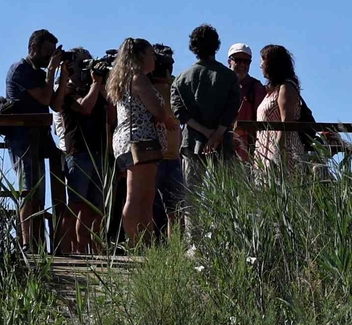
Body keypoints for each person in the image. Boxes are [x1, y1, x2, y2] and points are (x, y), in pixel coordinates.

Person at [0, 30, 64, 252]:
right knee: (29, 189)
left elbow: (54, 104)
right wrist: (52, 70)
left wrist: (64, 76)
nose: (48, 57)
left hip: (39, 138)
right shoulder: (21, 70)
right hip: (22, 138)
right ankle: (27, 243)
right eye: (46, 52)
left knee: (39, 190)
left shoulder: (37, 72)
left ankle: (38, 242)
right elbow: (44, 97)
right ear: (33, 48)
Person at [169, 23, 244, 222]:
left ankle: (194, 242)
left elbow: (179, 112)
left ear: (193, 48)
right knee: (227, 195)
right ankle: (225, 237)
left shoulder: (181, 79)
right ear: (216, 46)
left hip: (192, 141)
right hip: (223, 142)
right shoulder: (228, 76)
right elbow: (232, 109)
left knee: (191, 196)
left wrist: (204, 132)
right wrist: (216, 135)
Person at [111, 39, 176, 244]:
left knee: (142, 195)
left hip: (126, 140)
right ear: (140, 57)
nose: (154, 59)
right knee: (139, 196)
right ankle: (136, 242)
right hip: (140, 141)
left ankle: (143, 242)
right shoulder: (138, 79)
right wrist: (168, 119)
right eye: (150, 54)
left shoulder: (123, 80)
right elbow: (157, 110)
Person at [52, 46, 114, 255]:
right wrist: (96, 84)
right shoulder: (68, 89)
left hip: (98, 151)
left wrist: (102, 83)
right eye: (82, 64)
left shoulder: (94, 87)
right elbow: (85, 107)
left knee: (96, 208)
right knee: (77, 205)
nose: (86, 69)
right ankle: (65, 250)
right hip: (78, 152)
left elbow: (113, 112)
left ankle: (90, 249)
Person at [248, 42, 316, 171]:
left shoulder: (286, 88)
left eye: (263, 60)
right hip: (266, 151)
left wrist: (278, 154)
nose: (260, 65)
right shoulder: (274, 90)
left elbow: (286, 123)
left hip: (283, 152)